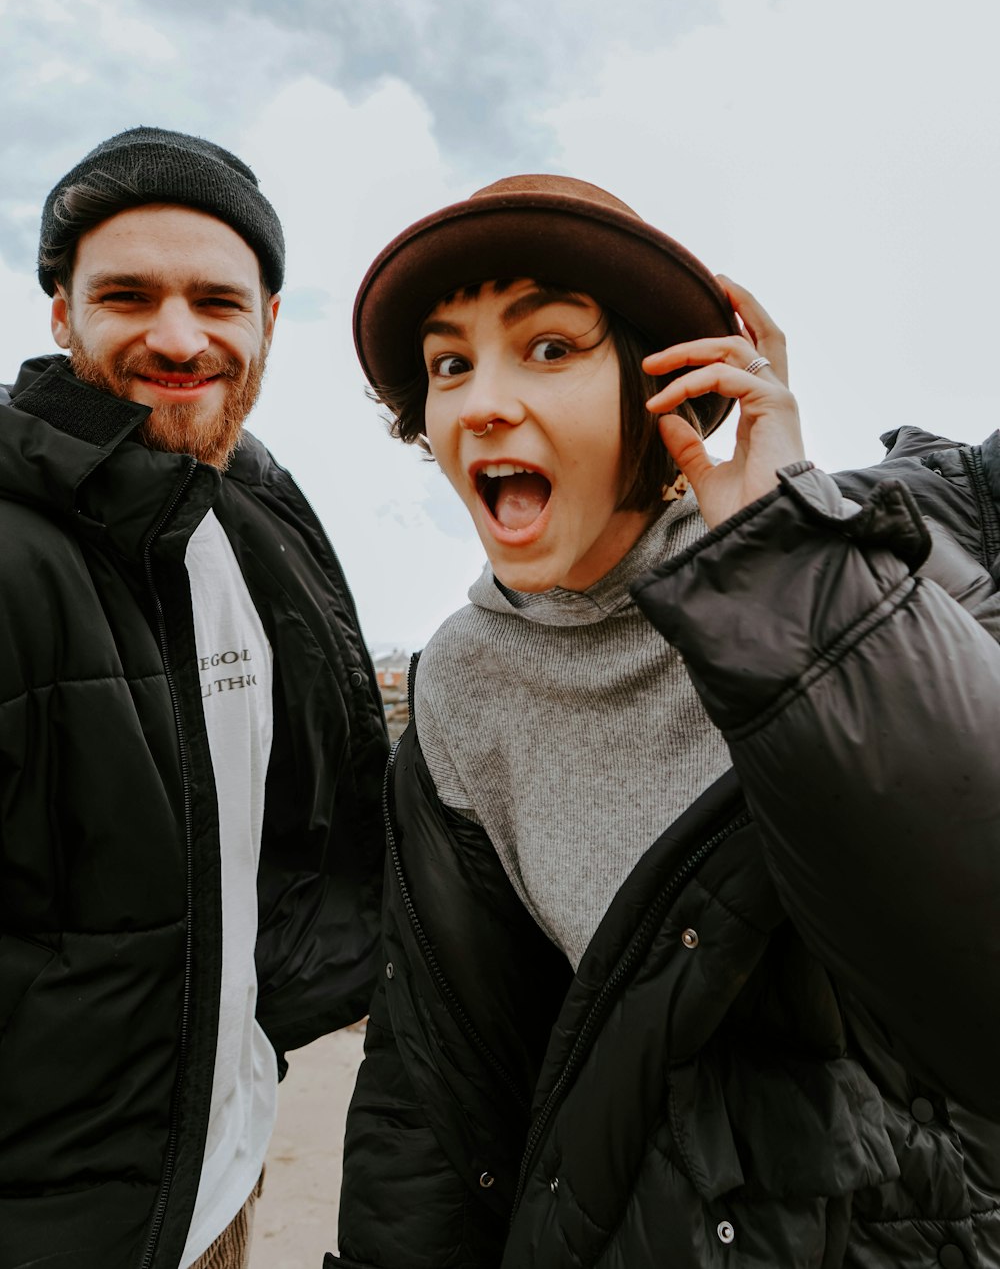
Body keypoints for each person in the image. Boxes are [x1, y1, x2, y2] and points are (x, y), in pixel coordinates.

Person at [332, 174, 1000, 1268]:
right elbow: (437, 1074)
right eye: (449, 364)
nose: (481, 403)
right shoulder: (459, 681)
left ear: (666, 385)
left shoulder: (860, 570)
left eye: (549, 347)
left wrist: (790, 568)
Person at [0, 128, 388, 1269]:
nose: (179, 337)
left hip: (218, 1170)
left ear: (269, 315)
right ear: (62, 313)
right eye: (128, 295)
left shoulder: (255, 518)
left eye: (218, 299)